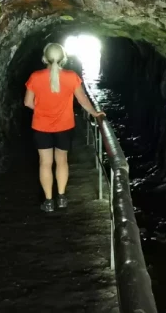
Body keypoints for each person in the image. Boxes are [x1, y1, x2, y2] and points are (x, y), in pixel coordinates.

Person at [25, 43, 105, 212]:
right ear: (64, 59)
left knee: (45, 163)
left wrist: (42, 110)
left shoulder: (36, 77)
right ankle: (61, 197)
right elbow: (82, 100)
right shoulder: (71, 76)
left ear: (44, 58)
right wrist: (94, 113)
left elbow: (27, 102)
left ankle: (48, 201)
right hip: (64, 126)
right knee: (62, 161)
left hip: (41, 126)